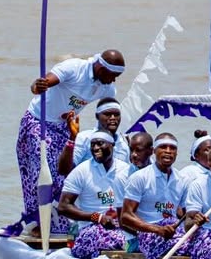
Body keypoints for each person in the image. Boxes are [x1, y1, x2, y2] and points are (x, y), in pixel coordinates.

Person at [10, 49, 125, 237]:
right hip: (39, 122)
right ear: (101, 67)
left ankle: (60, 224)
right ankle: (37, 223)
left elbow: (108, 112)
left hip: (65, 127)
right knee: (41, 172)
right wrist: (38, 86)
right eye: (112, 75)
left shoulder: (107, 88)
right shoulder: (74, 68)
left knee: (65, 176)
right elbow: (43, 83)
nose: (114, 80)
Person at [58, 131, 133, 259]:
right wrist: (97, 217)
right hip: (91, 229)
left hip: (122, 229)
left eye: (100, 143)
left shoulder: (126, 170)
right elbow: (63, 206)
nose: (96, 148)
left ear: (112, 145)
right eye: (92, 145)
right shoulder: (81, 171)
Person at [120, 132, 192, 259]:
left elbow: (186, 215)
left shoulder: (183, 180)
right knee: (184, 247)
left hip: (172, 232)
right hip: (145, 234)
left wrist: (196, 218)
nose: (168, 151)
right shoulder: (139, 177)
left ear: (176, 153)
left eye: (172, 148)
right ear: (154, 151)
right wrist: (157, 230)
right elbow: (125, 216)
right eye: (163, 147)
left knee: (200, 246)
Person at [58, 97, 130, 176]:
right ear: (97, 116)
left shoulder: (123, 146)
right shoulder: (84, 138)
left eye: (116, 114)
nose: (113, 118)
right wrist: (72, 138)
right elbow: (63, 170)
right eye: (107, 114)